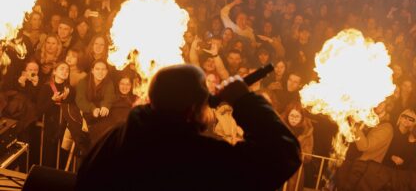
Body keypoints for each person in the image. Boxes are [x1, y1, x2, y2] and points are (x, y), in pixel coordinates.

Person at [76, 64, 301, 190]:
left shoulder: (114, 139)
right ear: (192, 110)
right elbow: (283, 154)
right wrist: (244, 100)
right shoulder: (198, 157)